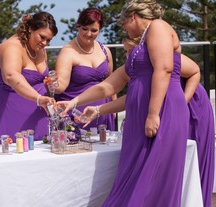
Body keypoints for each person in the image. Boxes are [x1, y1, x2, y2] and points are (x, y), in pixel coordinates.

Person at [59, 1, 192, 206]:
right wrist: (75, 101)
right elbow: (108, 87)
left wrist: (153, 114)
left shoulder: (157, 26)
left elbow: (164, 69)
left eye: (124, 25)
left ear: (132, 17)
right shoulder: (141, 46)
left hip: (161, 112)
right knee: (133, 176)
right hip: (141, 118)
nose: (126, 30)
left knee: (152, 182)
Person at [0, 12, 58, 146]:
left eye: (48, 40)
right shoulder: (11, 47)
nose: (44, 43)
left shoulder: (40, 48)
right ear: (30, 28)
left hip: (37, 115)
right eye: (42, 37)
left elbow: (40, 78)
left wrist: (49, 84)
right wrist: (38, 98)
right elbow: (11, 76)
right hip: (9, 113)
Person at [54, 7, 116, 132]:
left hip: (102, 112)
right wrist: (52, 84)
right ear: (78, 26)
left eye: (94, 30)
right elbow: (60, 86)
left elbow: (112, 82)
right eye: (85, 29)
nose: (88, 34)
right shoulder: (67, 52)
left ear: (100, 30)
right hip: (76, 114)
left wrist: (113, 108)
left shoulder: (105, 51)